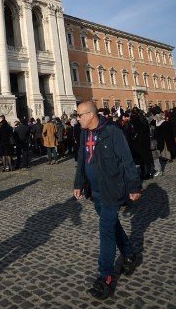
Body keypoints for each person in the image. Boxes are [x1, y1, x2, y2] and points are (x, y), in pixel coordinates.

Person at [73, 100, 142, 301]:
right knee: (113, 227)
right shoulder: (84, 133)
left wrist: (134, 186)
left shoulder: (113, 132)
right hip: (94, 192)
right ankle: (130, 255)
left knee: (106, 231)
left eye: (80, 115)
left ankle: (106, 277)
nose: (78, 119)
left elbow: (127, 160)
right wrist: (78, 183)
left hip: (111, 190)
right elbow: (81, 162)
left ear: (91, 115)